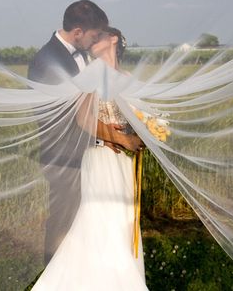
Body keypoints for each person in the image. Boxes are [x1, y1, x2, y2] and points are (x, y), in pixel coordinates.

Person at [31, 27, 147, 290]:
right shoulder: (92, 75)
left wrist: (144, 133)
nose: (93, 41)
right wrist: (119, 139)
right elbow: (83, 118)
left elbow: (136, 119)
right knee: (99, 219)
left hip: (124, 163)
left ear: (115, 39)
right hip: (99, 158)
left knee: (124, 220)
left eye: (100, 36)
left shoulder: (127, 77)